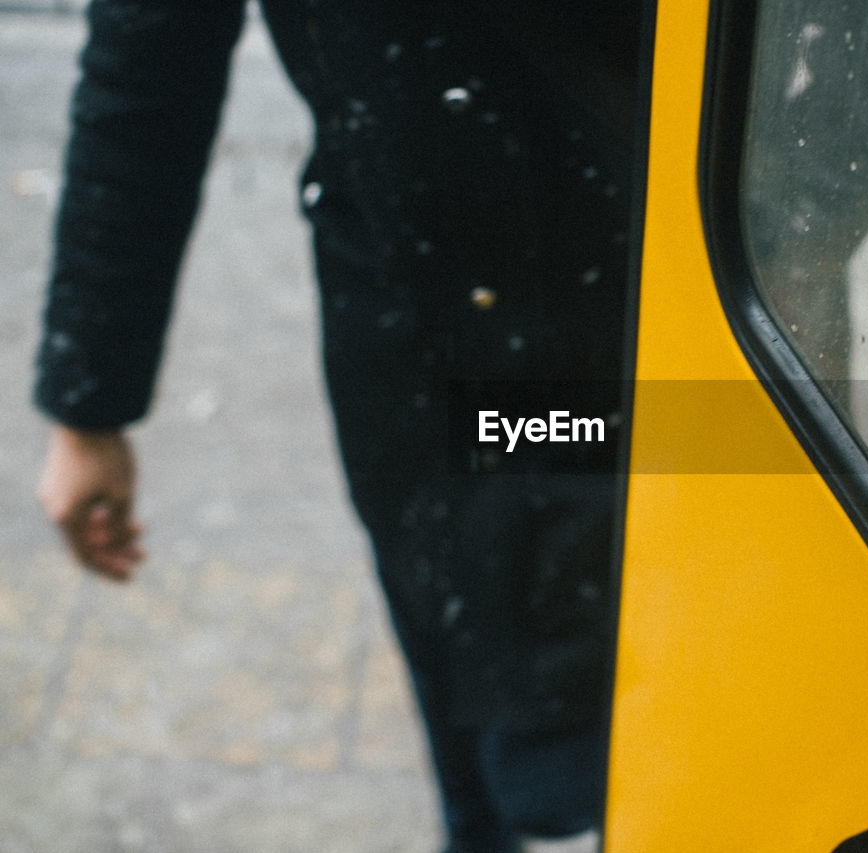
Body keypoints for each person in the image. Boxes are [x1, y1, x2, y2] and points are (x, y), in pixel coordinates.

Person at [33, 2, 641, 851]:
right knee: (478, 701)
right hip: (416, 333)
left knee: (562, 746)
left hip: (657, 309)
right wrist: (89, 402)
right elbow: (150, 65)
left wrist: (796, 239)